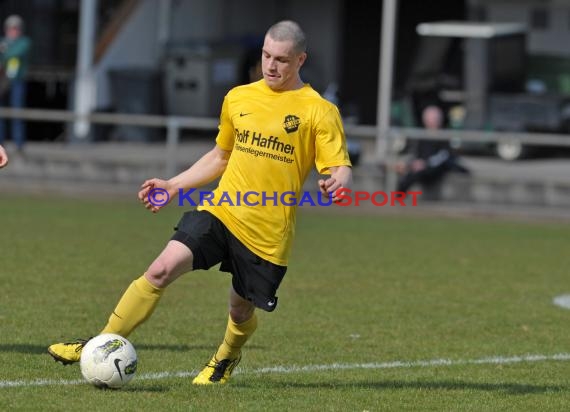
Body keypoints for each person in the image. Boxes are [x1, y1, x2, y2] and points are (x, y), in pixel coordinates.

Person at [48, 20, 352, 385]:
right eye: (266, 55)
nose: (271, 66)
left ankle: (225, 358)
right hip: (220, 210)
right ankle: (95, 344)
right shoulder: (239, 97)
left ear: (301, 60)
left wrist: (338, 180)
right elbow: (220, 157)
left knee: (240, 312)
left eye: (282, 60)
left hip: (267, 233)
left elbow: (339, 165)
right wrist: (173, 185)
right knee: (161, 268)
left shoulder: (319, 110)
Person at [395, 105, 469, 194]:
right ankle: (397, 197)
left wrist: (426, 164)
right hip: (422, 168)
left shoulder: (444, 136)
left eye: (435, 119)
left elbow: (444, 156)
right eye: (430, 119)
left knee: (417, 171)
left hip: (436, 169)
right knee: (406, 172)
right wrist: (410, 163)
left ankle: (398, 197)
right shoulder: (421, 136)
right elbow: (416, 154)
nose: (432, 122)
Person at [0, 15, 31, 153]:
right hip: (2, 80)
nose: (14, 31)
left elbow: (15, 52)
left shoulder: (24, 42)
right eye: (11, 28)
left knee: (17, 112)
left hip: (17, 80)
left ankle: (18, 145)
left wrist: (5, 51)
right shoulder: (3, 42)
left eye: (16, 28)